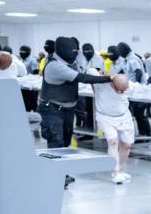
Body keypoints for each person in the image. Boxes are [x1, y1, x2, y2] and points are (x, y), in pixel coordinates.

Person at [38, 37, 113, 187]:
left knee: (65, 143)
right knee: (56, 143)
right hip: (52, 110)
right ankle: (56, 177)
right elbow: (81, 77)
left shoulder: (71, 62)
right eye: (72, 50)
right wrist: (109, 78)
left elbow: (83, 71)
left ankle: (61, 173)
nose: (75, 53)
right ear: (62, 50)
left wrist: (99, 72)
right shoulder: (54, 66)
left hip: (67, 109)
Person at [89, 71, 135, 184]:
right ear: (112, 83)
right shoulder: (101, 84)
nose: (121, 92)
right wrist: (101, 72)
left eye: (123, 91)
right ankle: (116, 172)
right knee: (113, 141)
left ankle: (121, 169)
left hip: (124, 116)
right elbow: (90, 71)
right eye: (118, 90)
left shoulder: (129, 85)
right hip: (105, 117)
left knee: (127, 145)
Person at [112, 42, 151, 138]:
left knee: (139, 113)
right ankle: (142, 133)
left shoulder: (133, 59)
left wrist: (136, 86)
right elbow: (121, 71)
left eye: (120, 52)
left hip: (138, 91)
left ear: (124, 50)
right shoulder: (126, 59)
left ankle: (146, 134)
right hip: (132, 91)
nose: (119, 54)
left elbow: (138, 72)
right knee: (137, 113)